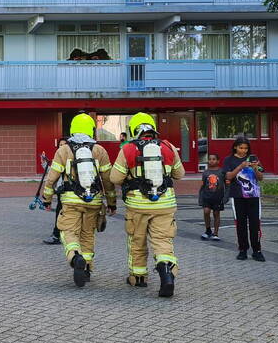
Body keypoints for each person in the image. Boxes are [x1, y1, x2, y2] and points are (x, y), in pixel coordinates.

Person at [110, 112, 185, 298]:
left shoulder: (128, 148)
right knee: (163, 241)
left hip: (137, 204)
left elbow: (115, 178)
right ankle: (166, 272)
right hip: (165, 203)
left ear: (133, 129)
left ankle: (138, 278)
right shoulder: (167, 146)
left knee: (137, 241)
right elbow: (179, 174)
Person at [41, 113, 116, 287]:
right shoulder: (99, 150)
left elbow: (52, 178)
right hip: (93, 201)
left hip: (71, 200)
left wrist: (47, 199)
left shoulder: (64, 150)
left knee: (68, 231)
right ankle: (87, 269)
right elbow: (108, 180)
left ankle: (75, 257)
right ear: (91, 129)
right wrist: (112, 203)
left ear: (73, 129)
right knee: (88, 234)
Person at [222, 137, 265, 262]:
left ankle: (257, 250)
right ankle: (243, 250)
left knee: (255, 224)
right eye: (241, 148)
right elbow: (228, 176)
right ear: (235, 147)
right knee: (240, 224)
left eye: (246, 148)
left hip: (253, 196)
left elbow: (261, 177)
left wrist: (255, 167)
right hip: (238, 195)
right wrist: (240, 166)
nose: (243, 151)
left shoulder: (253, 158)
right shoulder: (229, 160)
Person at [198, 153, 225, 241]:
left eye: (214, 159)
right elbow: (202, 186)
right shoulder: (206, 172)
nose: (211, 161)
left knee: (216, 214)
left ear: (218, 161)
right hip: (207, 197)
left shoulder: (222, 172)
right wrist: (200, 197)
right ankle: (208, 230)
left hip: (218, 197)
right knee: (206, 212)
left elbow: (227, 184)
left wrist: (226, 196)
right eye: (210, 159)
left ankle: (216, 233)